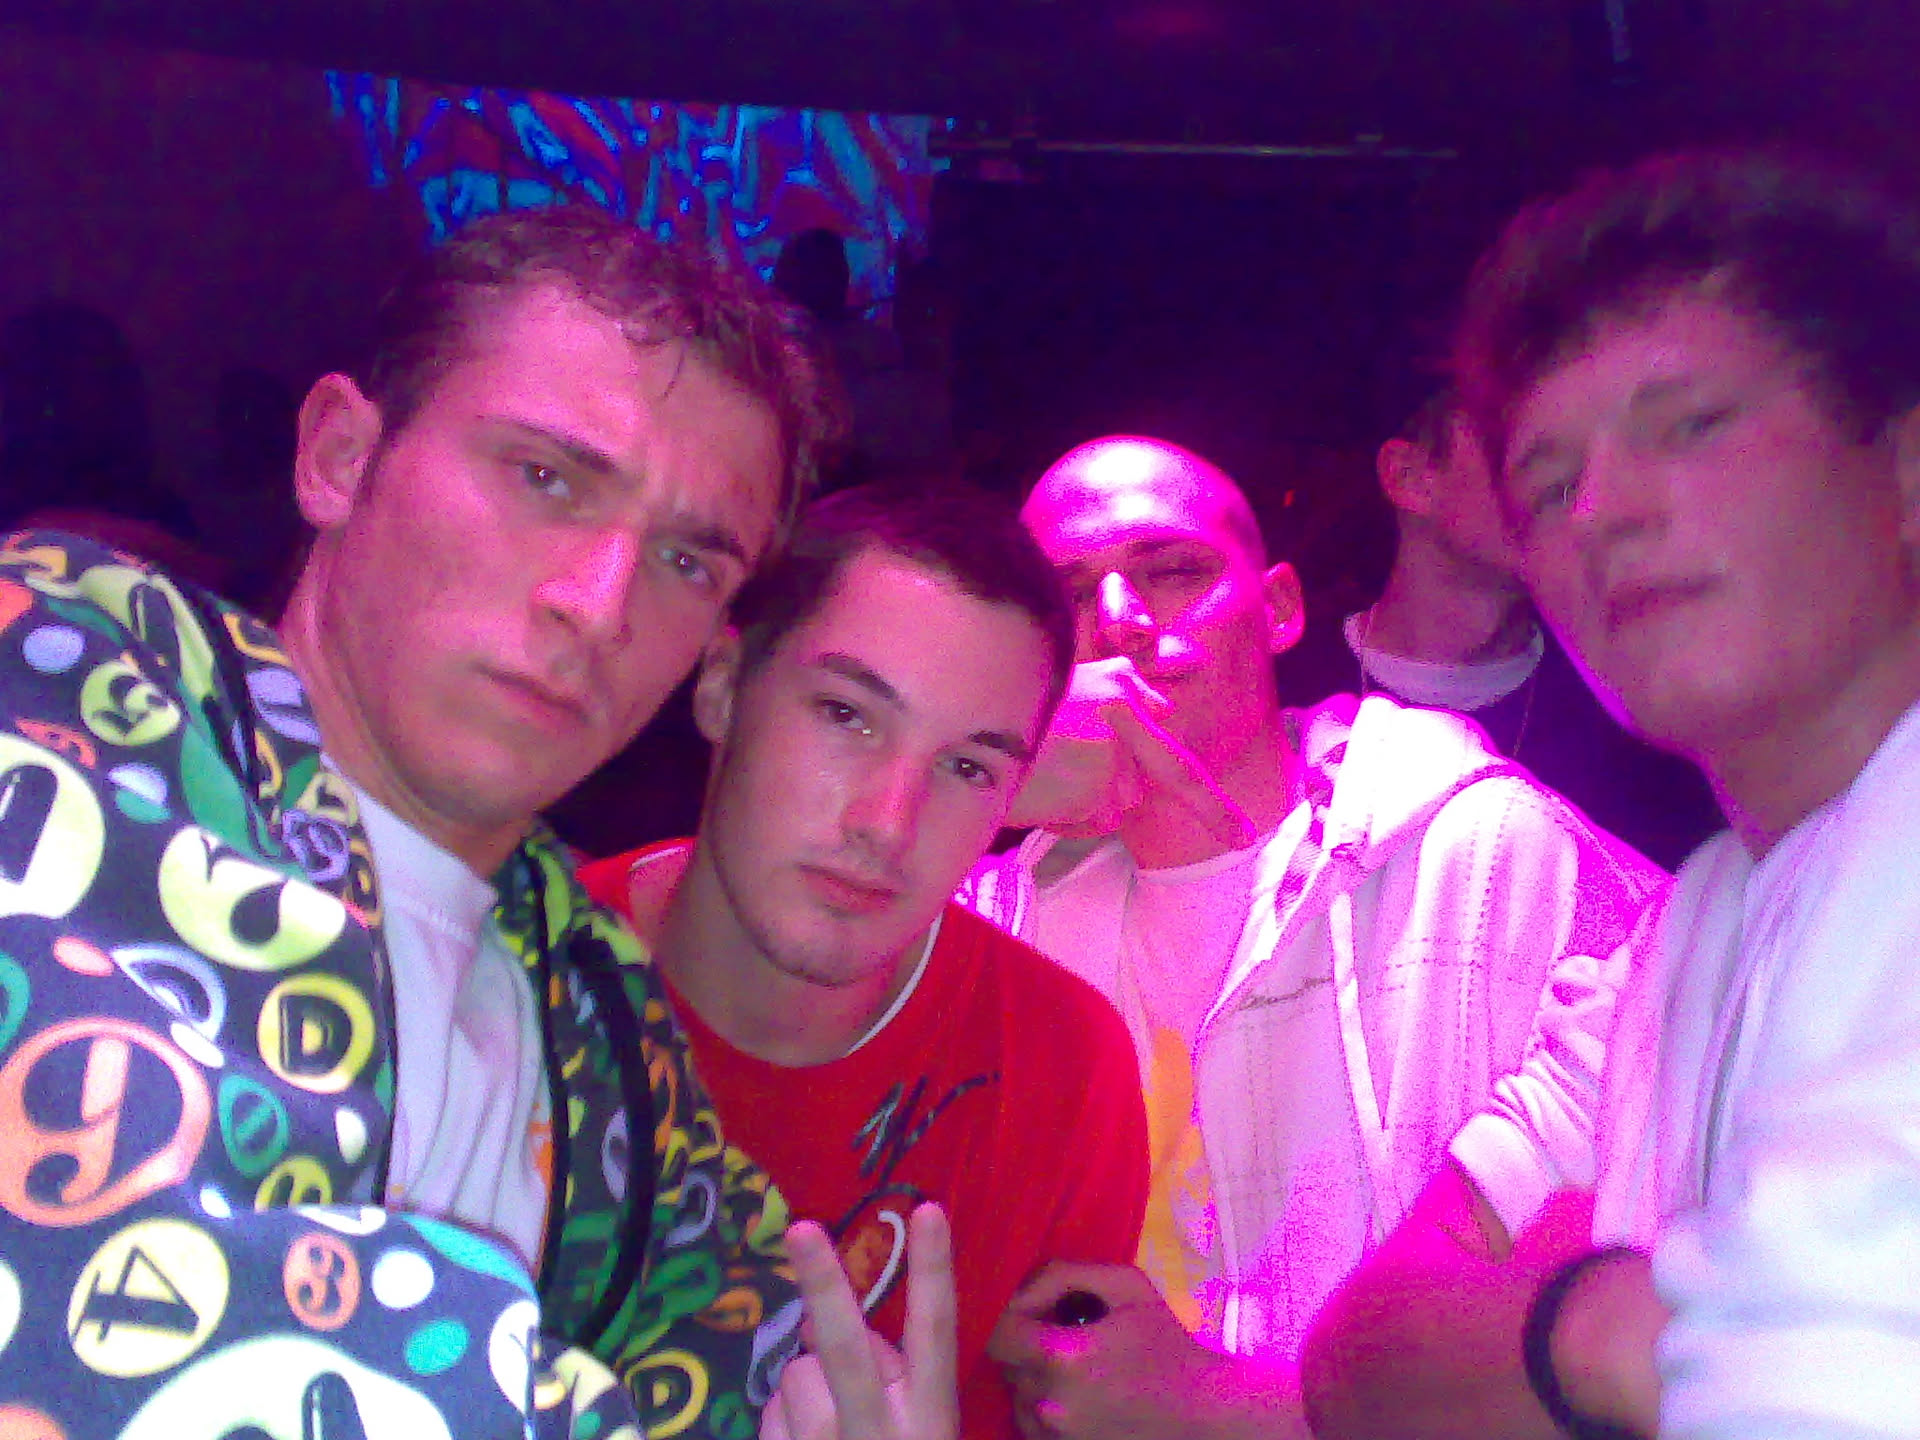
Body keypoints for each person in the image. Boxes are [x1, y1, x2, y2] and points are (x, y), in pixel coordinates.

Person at [0, 203, 840, 1438]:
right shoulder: (64, 681)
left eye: (686, 562)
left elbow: (734, 1329)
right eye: (545, 478)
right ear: (340, 456)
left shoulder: (603, 1012)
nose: (599, 605)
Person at [1302, 147, 1920, 1440]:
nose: (1602, 511)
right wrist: (1620, 1326)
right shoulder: (1685, 928)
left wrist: (1582, 1309)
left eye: (1689, 426)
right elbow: (1361, 1349)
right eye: (1548, 484)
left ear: (1905, 472)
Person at [961, 436, 1661, 1438]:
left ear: (1280, 608)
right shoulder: (990, 923)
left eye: (1172, 572)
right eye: (1064, 597)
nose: (1116, 620)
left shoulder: (1478, 852)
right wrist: (980, 780)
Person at [577, 482, 1150, 1440]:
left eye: (967, 768)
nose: (889, 823)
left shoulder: (1061, 1069)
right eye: (846, 714)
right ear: (723, 685)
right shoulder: (496, 988)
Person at [1327, 388, 1723, 870]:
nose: (1570, 486)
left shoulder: (1636, 708)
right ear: (1408, 478)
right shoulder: (1283, 694)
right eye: (1512, 445)